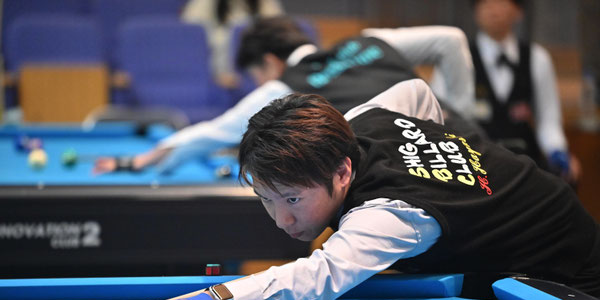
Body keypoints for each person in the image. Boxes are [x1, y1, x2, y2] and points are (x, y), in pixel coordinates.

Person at [128, 79, 599, 300]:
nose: (282, 219)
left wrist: (218, 299)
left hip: (568, 267)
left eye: (293, 199)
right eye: (266, 200)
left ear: (342, 173)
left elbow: (317, 279)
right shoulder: (360, 122)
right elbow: (417, 91)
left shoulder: (390, 215)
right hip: (529, 221)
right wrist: (435, 148)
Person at [93, 16, 476, 175]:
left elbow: (211, 133)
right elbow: (451, 40)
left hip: (425, 173)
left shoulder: (283, 88)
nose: (258, 85)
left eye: (256, 76)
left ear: (270, 63)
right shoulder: (371, 41)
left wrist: (137, 161)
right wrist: (457, 115)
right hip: (473, 147)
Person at [432, 0, 580, 184]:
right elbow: (437, 116)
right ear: (475, 11)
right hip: (475, 163)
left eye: (501, 2)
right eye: (486, 3)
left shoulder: (537, 58)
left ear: (518, 11)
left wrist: (558, 151)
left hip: (526, 162)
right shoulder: (456, 58)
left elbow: (548, 121)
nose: (494, 10)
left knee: (565, 181)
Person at [181, 0, 284, 89]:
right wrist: (215, 75)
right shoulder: (204, 4)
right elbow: (189, 38)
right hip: (214, 73)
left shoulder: (265, 4)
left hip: (255, 76)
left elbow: (278, 35)